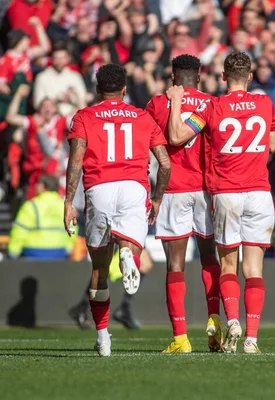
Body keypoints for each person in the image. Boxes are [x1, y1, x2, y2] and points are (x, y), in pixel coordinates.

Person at [167, 51, 275, 354]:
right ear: (250, 77)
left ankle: (233, 321)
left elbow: (176, 136)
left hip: (227, 192)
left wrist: (176, 101)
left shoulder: (211, 106)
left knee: (229, 264)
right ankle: (252, 339)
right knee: (254, 269)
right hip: (259, 191)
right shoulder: (265, 104)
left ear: (224, 77)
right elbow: (274, 143)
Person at [63, 63, 171, 357]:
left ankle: (102, 338)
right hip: (134, 187)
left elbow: (75, 163)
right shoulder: (143, 117)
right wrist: (158, 198)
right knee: (133, 244)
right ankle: (127, 252)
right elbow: (165, 163)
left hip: (99, 189)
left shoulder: (84, 116)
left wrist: (69, 202)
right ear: (125, 89)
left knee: (99, 268)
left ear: (97, 90)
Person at [145, 54, 222, 353]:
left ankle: (180, 339)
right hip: (206, 188)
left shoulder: (157, 104)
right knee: (210, 259)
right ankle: (214, 319)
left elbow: (149, 143)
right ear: (199, 77)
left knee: (175, 265)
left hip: (174, 189)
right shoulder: (212, 103)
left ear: (173, 77)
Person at [8, 175, 76, 259]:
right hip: (60, 252)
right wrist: (68, 249)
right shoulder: (65, 207)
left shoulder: (31, 206)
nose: (35, 186)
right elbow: (73, 230)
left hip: (33, 252)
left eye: (38, 183)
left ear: (43, 187)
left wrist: (13, 252)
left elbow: (19, 231)